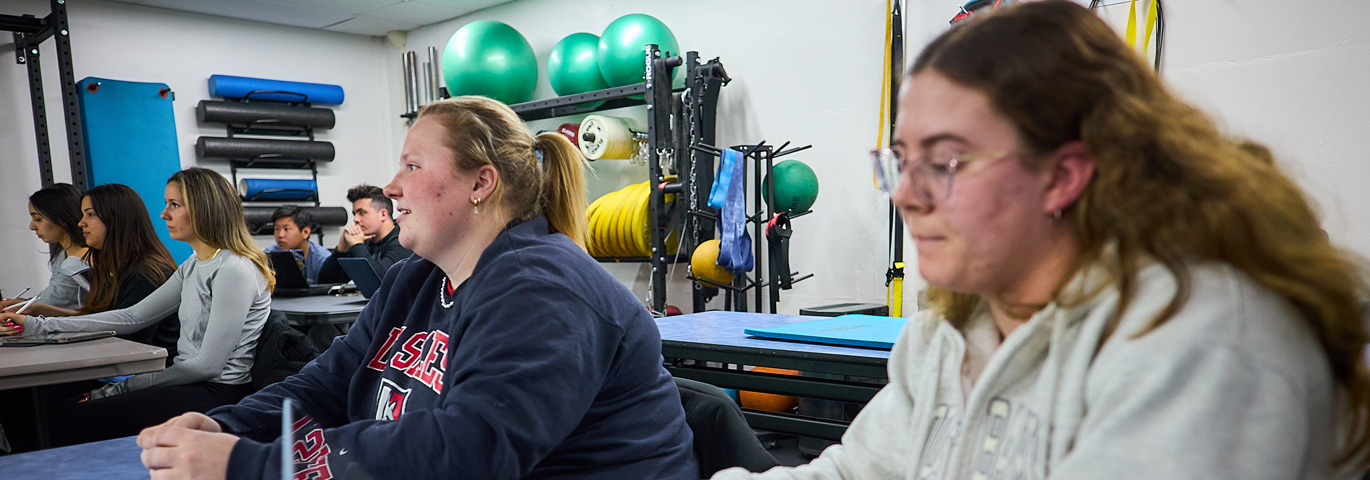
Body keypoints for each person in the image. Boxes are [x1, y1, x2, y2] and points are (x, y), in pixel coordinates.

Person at [710, 2, 1369, 479]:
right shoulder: (955, 326)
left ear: (1062, 175)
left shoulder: (1204, 338)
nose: (906, 193)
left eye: (944, 162)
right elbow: (863, 472)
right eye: (900, 160)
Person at [134, 96, 698, 480]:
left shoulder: (539, 288)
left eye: (411, 164)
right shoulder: (417, 278)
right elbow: (329, 385)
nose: (391, 185)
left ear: (481, 183)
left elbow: (471, 449)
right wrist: (229, 427)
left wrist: (250, 466)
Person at [0, 168, 275, 446]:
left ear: (205, 209)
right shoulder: (194, 264)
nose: (164, 214)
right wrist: (39, 326)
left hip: (216, 390)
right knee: (49, 414)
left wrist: (122, 387)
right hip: (191, 382)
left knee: (61, 420)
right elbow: (132, 316)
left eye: (174, 205)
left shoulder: (234, 269)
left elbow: (206, 366)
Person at [12, 184, 183, 355]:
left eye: (90, 214)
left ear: (116, 218)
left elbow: (126, 337)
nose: (81, 223)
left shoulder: (145, 274)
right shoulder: (110, 266)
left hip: (146, 369)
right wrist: (43, 311)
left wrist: (42, 326)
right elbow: (100, 317)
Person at [2, 183, 91, 311]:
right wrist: (20, 303)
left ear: (62, 218)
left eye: (38, 219)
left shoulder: (84, 260)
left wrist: (21, 306)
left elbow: (54, 301)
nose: (32, 226)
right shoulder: (61, 255)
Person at [316, 184, 412, 283]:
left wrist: (357, 245)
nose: (355, 219)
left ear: (383, 215)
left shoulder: (403, 240)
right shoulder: (363, 241)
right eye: (354, 214)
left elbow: (381, 283)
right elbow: (324, 283)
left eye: (362, 213)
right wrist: (340, 250)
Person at [264, 205, 331, 284]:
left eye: (286, 229)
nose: (280, 235)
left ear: (305, 232)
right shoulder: (267, 257)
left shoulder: (322, 259)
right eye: (277, 229)